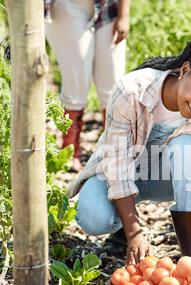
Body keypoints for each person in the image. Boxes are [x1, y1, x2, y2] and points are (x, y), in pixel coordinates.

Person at [67, 22, 191, 265]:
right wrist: (135, 233)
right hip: (121, 173)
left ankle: (187, 250)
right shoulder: (132, 91)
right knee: (92, 216)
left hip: (166, 180)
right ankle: (123, 230)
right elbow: (118, 165)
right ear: (185, 70)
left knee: (188, 146)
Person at [44, 0, 130, 171]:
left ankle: (112, 154)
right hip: (67, 6)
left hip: (108, 8)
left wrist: (124, 15)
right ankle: (69, 153)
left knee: (112, 85)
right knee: (76, 81)